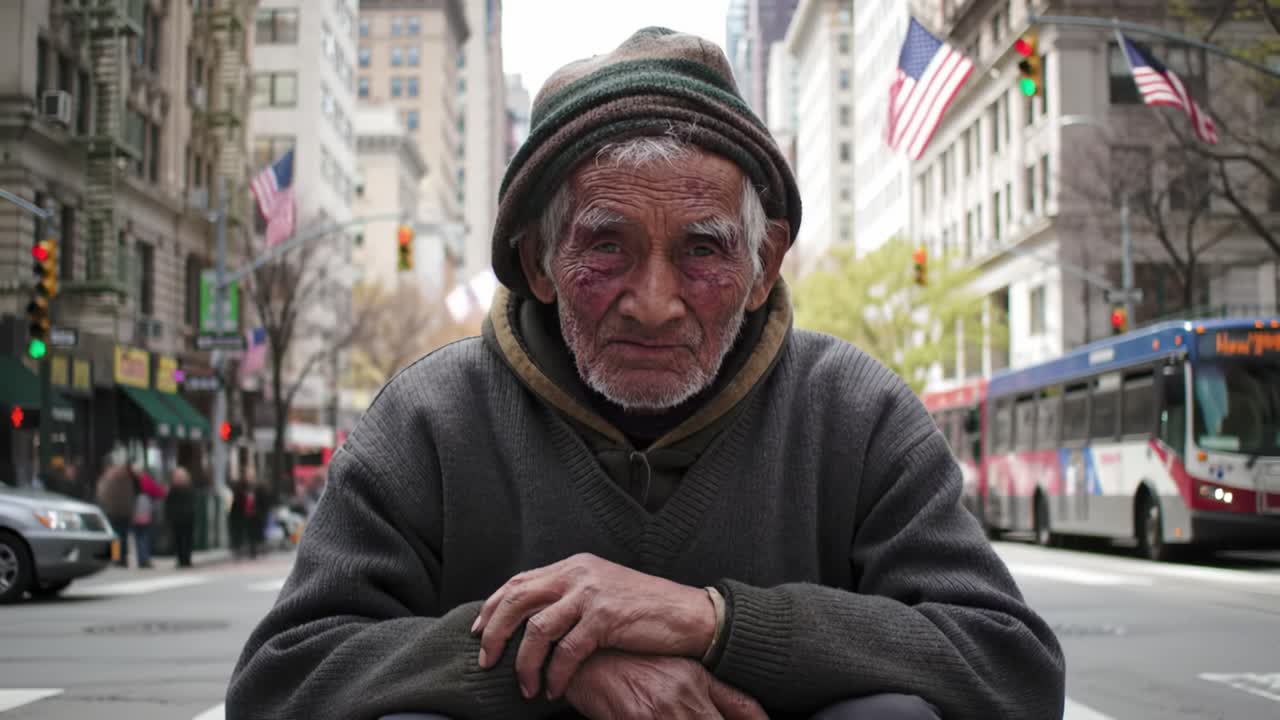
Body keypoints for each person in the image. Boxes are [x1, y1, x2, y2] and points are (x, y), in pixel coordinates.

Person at [227, 28, 1064, 720]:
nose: (655, 303)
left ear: (764, 263)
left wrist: (712, 622)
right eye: (605, 246)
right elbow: (279, 680)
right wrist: (549, 657)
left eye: (703, 249)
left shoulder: (855, 409)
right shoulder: (427, 418)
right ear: (540, 261)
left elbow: (1011, 666)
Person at [95, 460, 136, 568]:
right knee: (123, 536)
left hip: (113, 512)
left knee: (115, 536)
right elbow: (131, 498)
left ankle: (116, 558)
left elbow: (102, 496)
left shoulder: (108, 481)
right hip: (124, 513)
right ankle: (122, 558)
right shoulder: (127, 481)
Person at [166, 466, 198, 569]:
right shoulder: (174, 489)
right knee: (179, 539)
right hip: (178, 518)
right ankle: (181, 559)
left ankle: (186, 559)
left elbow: (193, 502)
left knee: (187, 539)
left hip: (187, 518)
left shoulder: (189, 488)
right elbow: (169, 504)